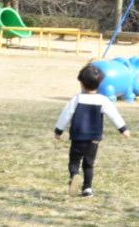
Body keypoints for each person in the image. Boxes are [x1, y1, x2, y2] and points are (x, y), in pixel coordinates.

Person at [53, 63, 131, 196]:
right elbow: (114, 115)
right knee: (89, 164)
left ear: (82, 84)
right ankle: (87, 188)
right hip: (93, 139)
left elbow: (66, 115)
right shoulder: (103, 100)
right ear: (99, 84)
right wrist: (123, 129)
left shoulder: (77, 99)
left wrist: (58, 131)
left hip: (78, 137)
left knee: (74, 161)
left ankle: (74, 175)